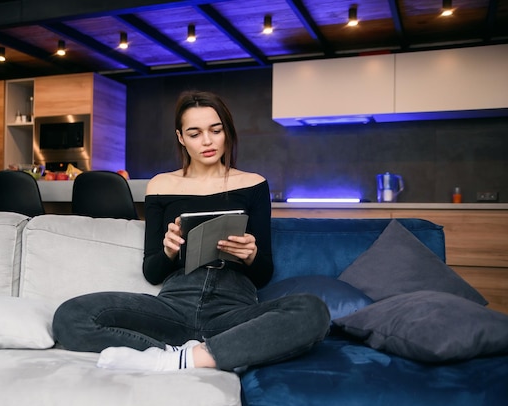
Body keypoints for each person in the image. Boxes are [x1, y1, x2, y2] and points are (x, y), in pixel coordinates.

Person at [52, 90, 329, 372]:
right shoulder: (161, 185)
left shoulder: (254, 184)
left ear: (227, 132)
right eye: (194, 133)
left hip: (232, 311)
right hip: (174, 307)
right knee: (70, 316)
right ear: (181, 138)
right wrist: (169, 250)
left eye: (215, 130)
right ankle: (192, 355)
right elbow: (152, 272)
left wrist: (251, 255)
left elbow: (262, 274)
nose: (207, 141)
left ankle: (177, 359)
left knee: (312, 310)